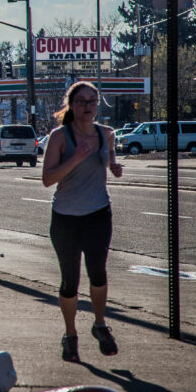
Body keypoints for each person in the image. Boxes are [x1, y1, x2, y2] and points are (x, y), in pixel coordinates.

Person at [41, 81, 123, 363]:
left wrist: (114, 166)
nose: (87, 106)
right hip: (66, 217)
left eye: (92, 101)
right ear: (71, 106)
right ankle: (70, 334)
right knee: (70, 280)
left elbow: (110, 160)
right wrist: (75, 158)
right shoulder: (60, 137)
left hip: (98, 213)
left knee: (98, 272)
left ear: (97, 104)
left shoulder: (107, 134)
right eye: (81, 102)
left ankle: (100, 325)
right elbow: (47, 179)